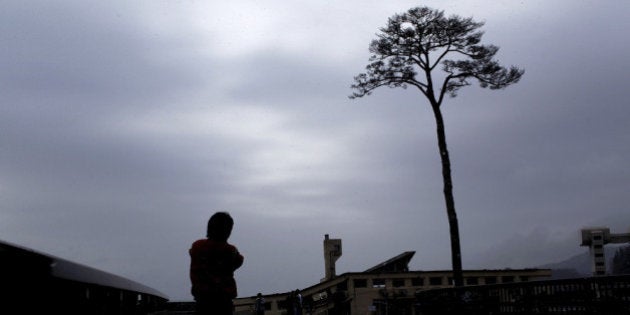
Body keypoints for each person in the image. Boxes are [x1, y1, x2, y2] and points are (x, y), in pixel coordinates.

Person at [190, 212, 244, 315]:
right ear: (228, 231)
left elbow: (191, 252)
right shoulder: (230, 250)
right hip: (223, 302)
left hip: (202, 301)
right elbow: (239, 260)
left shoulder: (197, 246)